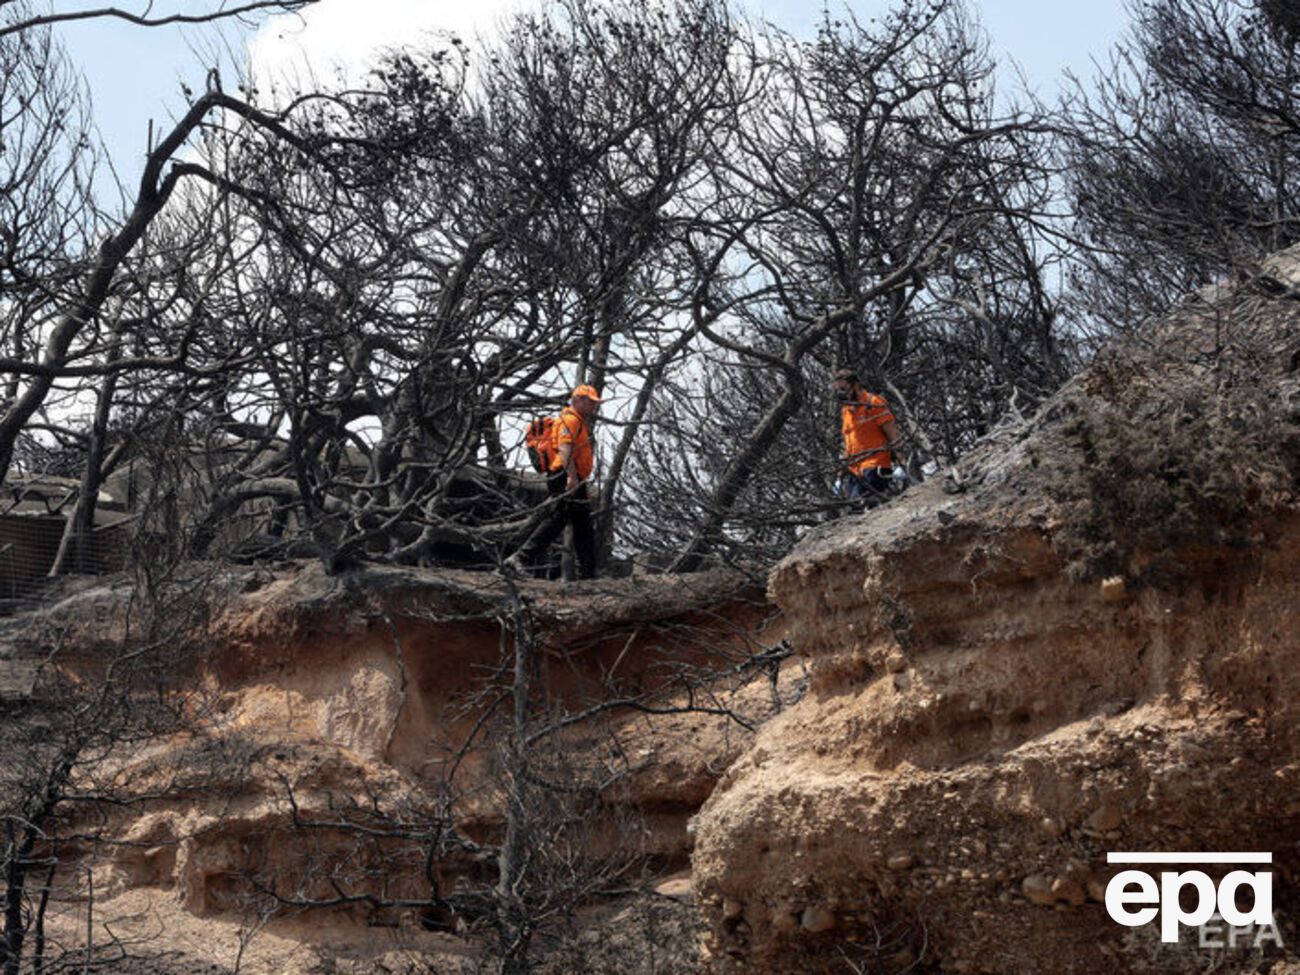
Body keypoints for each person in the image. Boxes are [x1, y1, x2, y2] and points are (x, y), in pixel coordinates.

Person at [507, 384, 601, 579]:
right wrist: (572, 478)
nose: (594, 407)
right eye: (590, 402)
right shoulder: (570, 420)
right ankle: (520, 558)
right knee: (559, 521)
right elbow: (565, 449)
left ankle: (588, 574)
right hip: (564, 475)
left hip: (569, 476)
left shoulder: (576, 421)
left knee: (581, 525)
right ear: (577, 400)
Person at [833, 368, 902, 507]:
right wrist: (839, 476)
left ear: (855, 385)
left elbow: (893, 434)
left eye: (843, 388)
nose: (841, 393)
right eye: (838, 390)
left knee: (869, 507)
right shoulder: (846, 411)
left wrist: (901, 463)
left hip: (875, 466)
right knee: (854, 511)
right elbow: (849, 445)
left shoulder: (873, 402)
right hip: (855, 470)